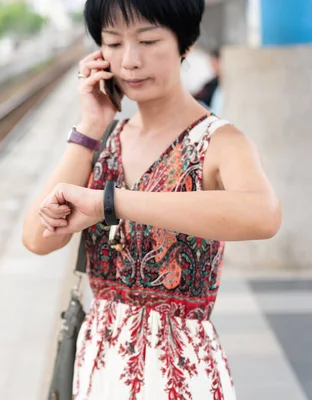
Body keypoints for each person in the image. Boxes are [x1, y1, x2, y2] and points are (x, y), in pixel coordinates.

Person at [22, 0, 281, 399]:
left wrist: (111, 203)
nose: (129, 61)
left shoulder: (219, 141)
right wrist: (91, 125)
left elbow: (263, 215)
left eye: (148, 41)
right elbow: (39, 238)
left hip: (180, 371)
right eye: (112, 43)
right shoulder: (104, 141)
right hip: (98, 366)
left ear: (184, 44)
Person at [194, 48, 223, 115]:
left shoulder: (223, 84)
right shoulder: (211, 83)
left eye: (214, 62)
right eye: (211, 63)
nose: (212, 66)